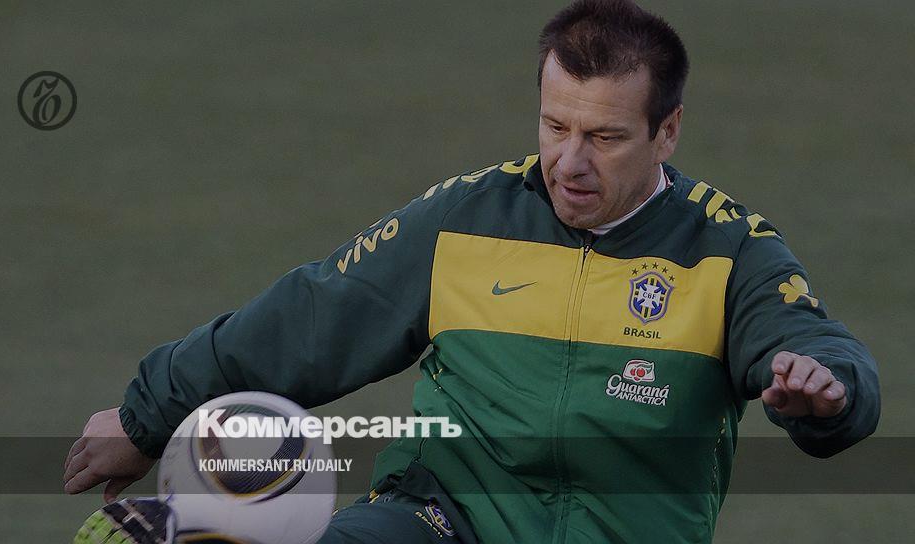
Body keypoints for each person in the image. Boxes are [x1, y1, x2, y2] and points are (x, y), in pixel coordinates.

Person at [64, 0, 880, 542]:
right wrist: (147, 418)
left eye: (604, 137)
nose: (570, 162)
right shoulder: (466, 219)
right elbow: (310, 321)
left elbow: (817, 349)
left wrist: (826, 393)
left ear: (667, 131)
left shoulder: (729, 250)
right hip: (437, 521)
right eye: (555, 125)